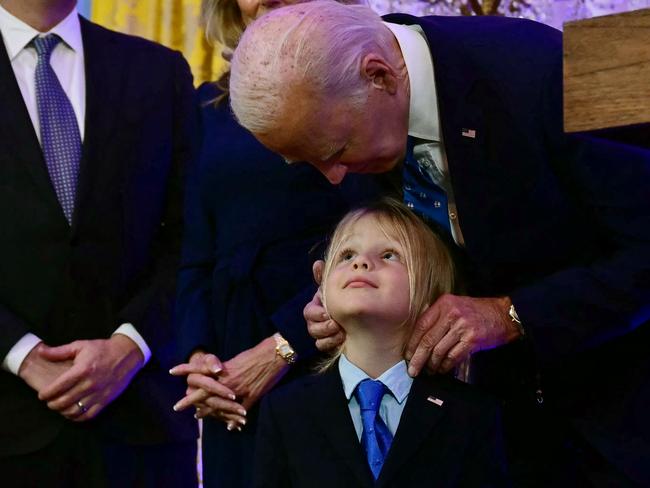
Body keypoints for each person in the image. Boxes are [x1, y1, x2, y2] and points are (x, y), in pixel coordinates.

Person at [228, 2, 650, 486]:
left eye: (338, 152)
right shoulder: (345, 106)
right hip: (495, 432)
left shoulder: (567, 65)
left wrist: (513, 315)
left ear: (381, 76)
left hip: (621, 422)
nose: (334, 178)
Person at [169, 1, 387, 487]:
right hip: (230, 379)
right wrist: (200, 359)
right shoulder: (204, 108)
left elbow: (373, 233)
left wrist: (282, 348)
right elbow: (193, 250)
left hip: (333, 347)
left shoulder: (356, 94)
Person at [0, 0, 198, 486]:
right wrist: (19, 352)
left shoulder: (158, 72)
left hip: (140, 426)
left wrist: (131, 346)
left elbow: (192, 236)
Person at [254, 198, 509, 487]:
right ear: (322, 287)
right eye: (347, 255)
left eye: (389, 255)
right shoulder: (286, 410)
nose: (361, 262)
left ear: (430, 295)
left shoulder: (470, 413)